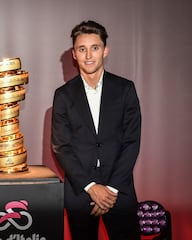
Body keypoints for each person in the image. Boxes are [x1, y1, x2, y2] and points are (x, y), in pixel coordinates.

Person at [51, 20, 141, 239]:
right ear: (74, 54)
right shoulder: (63, 95)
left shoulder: (125, 89)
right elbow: (62, 146)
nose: (89, 55)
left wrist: (110, 190)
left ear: (105, 51)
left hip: (119, 190)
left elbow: (132, 141)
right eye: (82, 49)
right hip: (80, 192)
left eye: (95, 48)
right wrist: (91, 187)